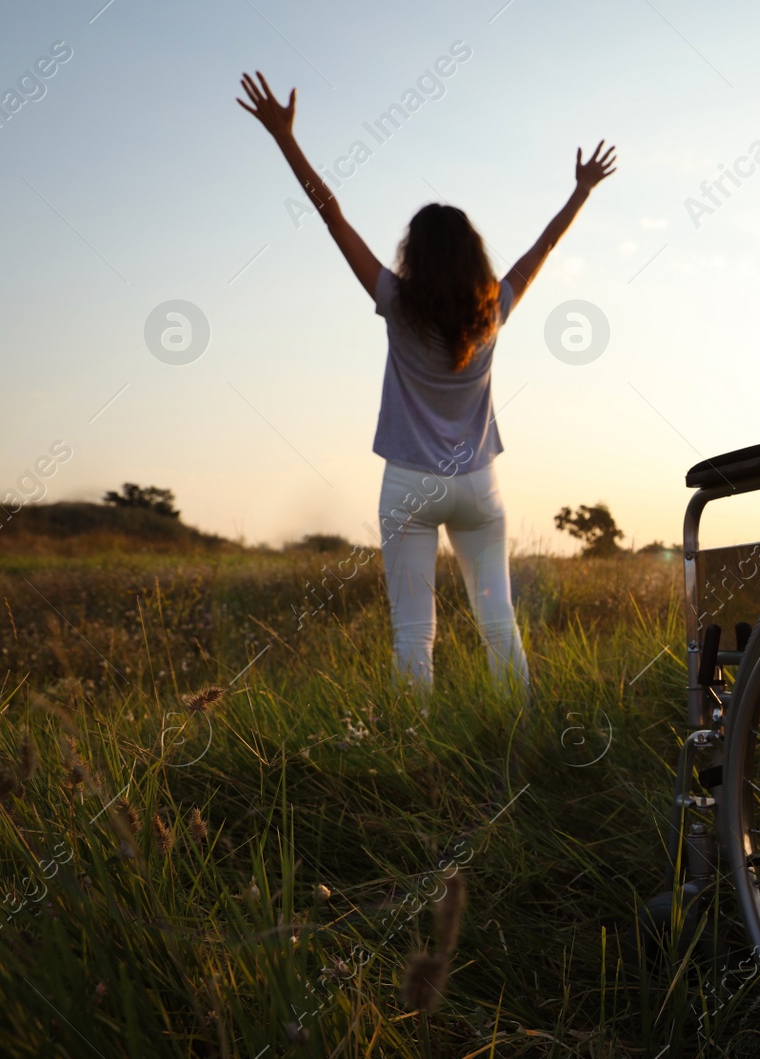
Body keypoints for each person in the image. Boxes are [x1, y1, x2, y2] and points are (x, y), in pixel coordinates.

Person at [237, 70, 616, 697]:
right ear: (472, 257)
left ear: (414, 253)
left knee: (413, 635)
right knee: (500, 625)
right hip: (478, 486)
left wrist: (285, 139)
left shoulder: (394, 298)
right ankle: (518, 742)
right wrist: (580, 192)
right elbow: (543, 245)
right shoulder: (492, 308)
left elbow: (332, 217)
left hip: (409, 483)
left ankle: (415, 759)